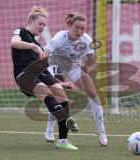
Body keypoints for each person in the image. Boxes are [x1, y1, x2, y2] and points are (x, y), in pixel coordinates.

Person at [10, 6, 78, 150]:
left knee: (61, 93)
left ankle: (63, 141)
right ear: (31, 21)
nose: (42, 27)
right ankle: (66, 119)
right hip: (24, 76)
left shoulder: (38, 45)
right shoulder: (21, 32)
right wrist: (33, 47)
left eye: (44, 25)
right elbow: (13, 42)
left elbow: (45, 71)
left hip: (39, 74)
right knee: (46, 93)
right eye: (40, 24)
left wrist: (62, 83)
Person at [44, 12, 108, 146]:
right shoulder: (59, 38)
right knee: (58, 97)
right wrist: (49, 76)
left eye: (83, 28)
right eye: (77, 28)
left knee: (93, 94)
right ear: (70, 25)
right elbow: (44, 57)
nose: (80, 31)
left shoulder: (86, 40)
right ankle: (49, 131)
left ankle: (101, 131)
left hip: (75, 67)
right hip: (57, 65)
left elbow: (93, 62)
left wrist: (85, 70)